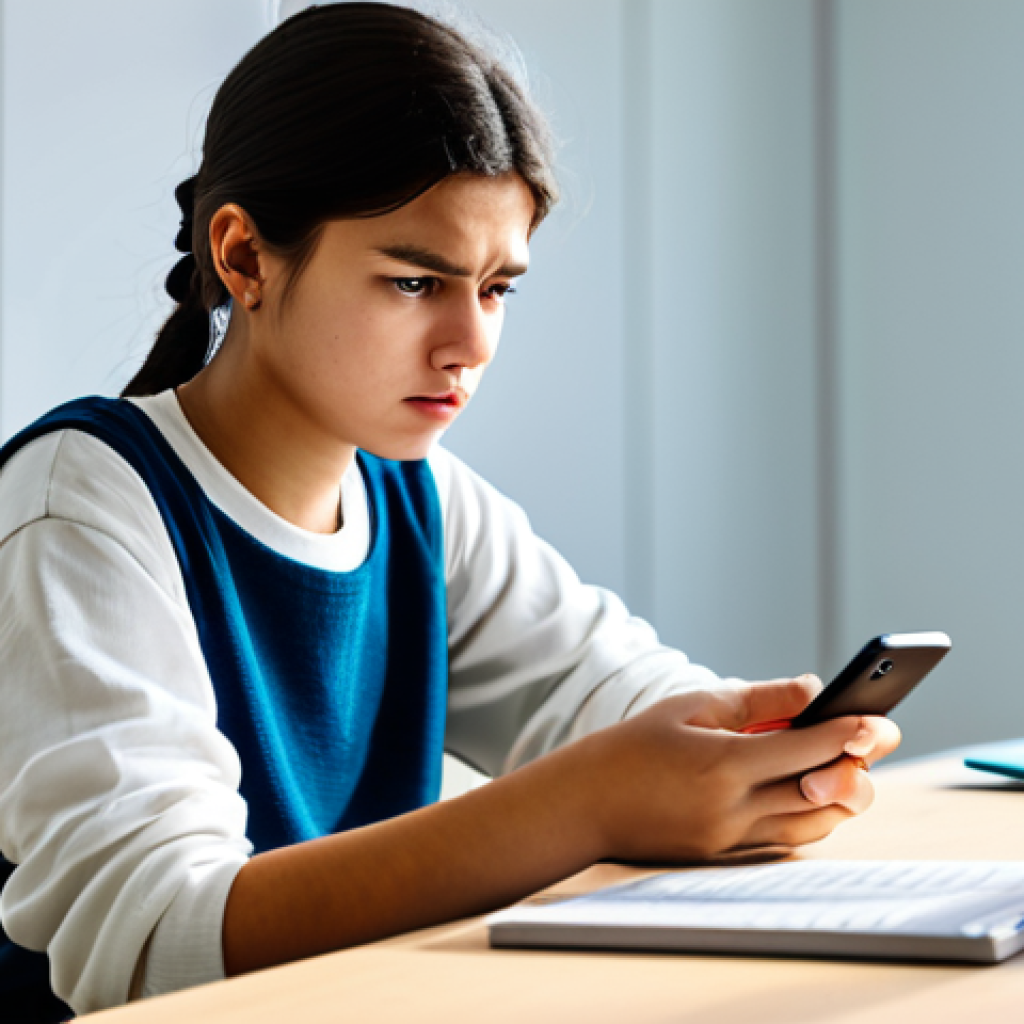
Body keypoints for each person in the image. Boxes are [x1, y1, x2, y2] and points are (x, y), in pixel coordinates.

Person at [0, 4, 899, 1019]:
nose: (469, 343)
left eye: (498, 288)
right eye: (414, 281)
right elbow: (154, 940)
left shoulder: (419, 503)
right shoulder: (80, 502)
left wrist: (751, 755)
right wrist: (589, 800)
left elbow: (615, 701)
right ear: (245, 258)